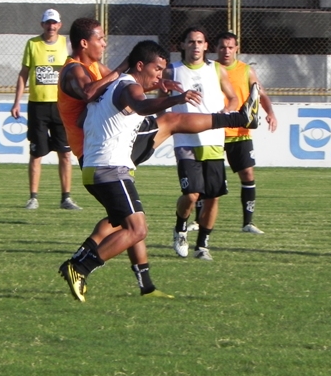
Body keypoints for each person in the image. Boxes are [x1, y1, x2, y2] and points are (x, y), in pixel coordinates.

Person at [58, 40, 259, 302]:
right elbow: (140, 105)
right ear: (140, 65)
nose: (160, 74)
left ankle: (145, 286)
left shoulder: (114, 88)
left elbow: (88, 117)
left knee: (130, 224)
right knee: (137, 229)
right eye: (157, 69)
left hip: (101, 168)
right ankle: (79, 267)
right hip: (110, 169)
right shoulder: (127, 85)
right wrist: (175, 99)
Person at [161, 27, 240, 261]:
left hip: (213, 140)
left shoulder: (216, 69)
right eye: (191, 42)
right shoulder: (172, 71)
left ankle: (202, 245)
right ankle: (180, 228)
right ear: (182, 45)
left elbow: (234, 97)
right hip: (185, 140)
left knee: (212, 196)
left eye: (200, 42)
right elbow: (160, 99)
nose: (196, 46)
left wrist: (227, 112)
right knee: (192, 194)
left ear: (206, 46)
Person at [188, 32, 277, 234]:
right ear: (215, 48)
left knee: (247, 173)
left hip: (239, 131)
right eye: (222, 47)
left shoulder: (246, 71)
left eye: (230, 47)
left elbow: (260, 94)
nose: (226, 51)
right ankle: (197, 220)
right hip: (214, 131)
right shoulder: (209, 69)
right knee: (205, 179)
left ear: (236, 48)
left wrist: (270, 112)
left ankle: (248, 222)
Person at [11, 8, 81, 211]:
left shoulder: (66, 44)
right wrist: (16, 101)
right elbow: (24, 74)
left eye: (54, 23)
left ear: (59, 25)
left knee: (65, 153)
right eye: (48, 23)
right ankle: (33, 197)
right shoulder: (32, 44)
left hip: (61, 106)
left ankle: (66, 198)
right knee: (36, 153)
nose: (51, 26)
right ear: (42, 24)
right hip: (37, 106)